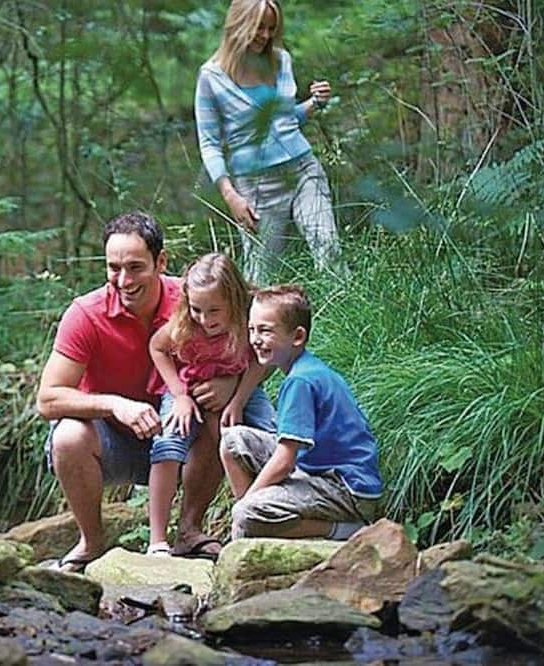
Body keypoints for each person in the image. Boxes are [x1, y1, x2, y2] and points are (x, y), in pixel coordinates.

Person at [36, 211, 276, 572]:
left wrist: (233, 384)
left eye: (135, 267)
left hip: (182, 433)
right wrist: (115, 406)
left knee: (216, 414)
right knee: (67, 436)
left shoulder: (196, 298)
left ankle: (191, 531)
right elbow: (48, 399)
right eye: (113, 267)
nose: (123, 279)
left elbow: (263, 331)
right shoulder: (85, 314)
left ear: (160, 261)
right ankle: (92, 544)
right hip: (112, 445)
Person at [195, 0, 347, 286]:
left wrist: (315, 103)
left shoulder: (281, 60)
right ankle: (256, 329)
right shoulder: (212, 77)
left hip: (303, 170)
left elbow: (284, 120)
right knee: (261, 276)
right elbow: (209, 143)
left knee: (328, 249)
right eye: (258, 27)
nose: (265, 35)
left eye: (270, 28)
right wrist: (231, 196)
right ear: (238, 25)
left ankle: (352, 322)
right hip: (255, 186)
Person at [221, 284, 382, 541]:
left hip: (347, 490)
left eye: (265, 330)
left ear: (297, 337)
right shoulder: (303, 370)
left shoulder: (301, 381)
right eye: (252, 329)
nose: (255, 339)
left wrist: (250, 501)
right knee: (233, 441)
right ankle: (255, 526)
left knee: (246, 511)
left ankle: (345, 530)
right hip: (316, 471)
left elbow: (285, 461)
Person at [146, 253, 268, 557]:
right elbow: (158, 348)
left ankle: (267, 519)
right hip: (188, 387)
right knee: (168, 442)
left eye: (214, 310)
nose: (205, 319)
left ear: (235, 299)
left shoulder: (249, 318)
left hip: (243, 386)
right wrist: (181, 396)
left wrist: (238, 398)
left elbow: (261, 360)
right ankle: (157, 539)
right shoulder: (186, 323)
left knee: (272, 439)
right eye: (197, 309)